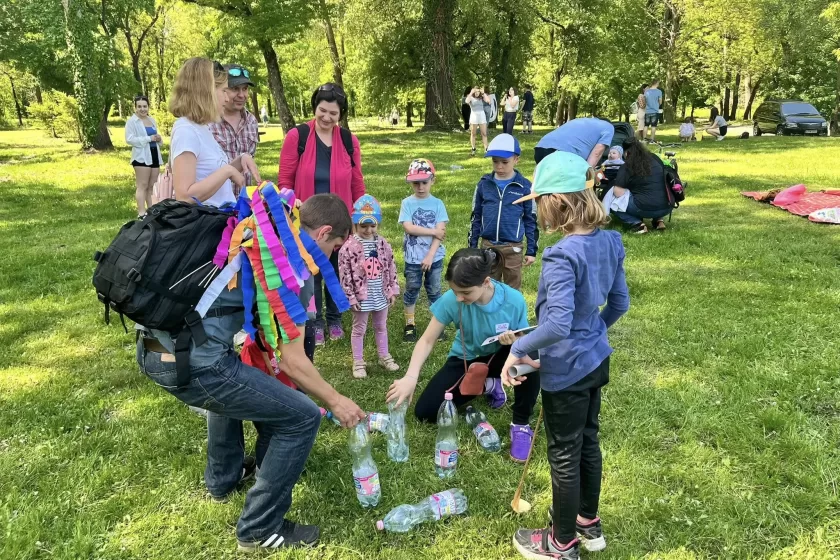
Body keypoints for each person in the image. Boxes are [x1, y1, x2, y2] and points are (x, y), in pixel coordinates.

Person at [500, 150, 630, 559]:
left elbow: (555, 325)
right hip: (595, 360)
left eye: (537, 203)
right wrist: (589, 336)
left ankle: (561, 543)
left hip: (570, 371)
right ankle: (588, 522)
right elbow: (619, 304)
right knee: (588, 440)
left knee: (564, 453)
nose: (536, 212)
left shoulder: (560, 255)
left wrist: (518, 349)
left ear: (555, 202)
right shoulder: (611, 240)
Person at [386, 248, 541, 463]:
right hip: (466, 358)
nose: (459, 297)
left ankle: (521, 424)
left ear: (486, 281)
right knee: (426, 412)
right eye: (455, 291)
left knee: (532, 358)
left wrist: (515, 342)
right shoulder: (453, 299)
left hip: (502, 356)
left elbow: (524, 337)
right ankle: (489, 385)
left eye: (465, 292)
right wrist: (410, 377)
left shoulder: (513, 300)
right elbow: (427, 340)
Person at [278, 83, 366, 347]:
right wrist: (293, 203)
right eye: (322, 111)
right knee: (311, 270)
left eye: (333, 113)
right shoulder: (298, 136)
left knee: (339, 267)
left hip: (340, 218)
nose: (327, 117)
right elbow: (284, 181)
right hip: (309, 219)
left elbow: (357, 183)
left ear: (341, 115)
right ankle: (314, 321)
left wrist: (362, 214)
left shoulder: (350, 141)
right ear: (314, 108)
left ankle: (335, 317)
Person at [338, 194, 400, 379]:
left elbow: (390, 266)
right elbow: (345, 274)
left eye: (372, 226)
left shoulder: (383, 244)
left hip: (379, 294)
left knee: (381, 326)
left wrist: (392, 289)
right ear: (355, 224)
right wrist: (350, 296)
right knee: (359, 329)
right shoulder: (348, 247)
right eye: (363, 226)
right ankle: (358, 362)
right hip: (361, 297)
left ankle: (384, 356)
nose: (368, 230)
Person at [468, 134, 537, 290]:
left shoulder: (525, 187)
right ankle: (491, 314)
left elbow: (530, 220)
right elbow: (476, 217)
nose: (499, 166)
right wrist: (472, 247)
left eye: (505, 162)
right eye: (495, 161)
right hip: (488, 246)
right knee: (488, 287)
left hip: (513, 247)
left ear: (516, 159)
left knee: (512, 289)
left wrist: (531, 250)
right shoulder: (483, 184)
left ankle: (512, 314)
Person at [400, 158, 448, 342]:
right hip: (413, 258)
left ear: (432, 180)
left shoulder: (438, 204)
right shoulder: (407, 203)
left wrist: (429, 255)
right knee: (412, 288)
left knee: (434, 290)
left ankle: (437, 326)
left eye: (424, 182)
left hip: (434, 258)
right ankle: (410, 324)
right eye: (416, 183)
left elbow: (440, 233)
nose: (420, 187)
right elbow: (408, 228)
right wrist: (433, 230)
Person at [608, 138, 674, 233]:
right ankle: (659, 220)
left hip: (644, 207)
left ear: (626, 153)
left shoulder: (626, 166)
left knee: (612, 201)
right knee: (656, 190)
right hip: (668, 205)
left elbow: (618, 193)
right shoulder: (655, 158)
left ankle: (637, 224)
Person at [209, 64, 259, 164]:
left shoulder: (251, 121)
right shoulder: (208, 122)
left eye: (245, 89)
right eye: (235, 89)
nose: (241, 95)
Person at [125, 94, 162, 217]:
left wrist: (158, 139)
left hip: (154, 155)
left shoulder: (151, 120)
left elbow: (155, 138)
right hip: (141, 157)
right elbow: (129, 139)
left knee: (152, 185)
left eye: (145, 106)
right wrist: (148, 138)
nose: (142, 109)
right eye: (139, 106)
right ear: (135, 107)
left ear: (148, 107)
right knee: (143, 185)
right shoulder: (132, 122)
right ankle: (141, 212)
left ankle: (151, 211)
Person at [535, 117, 614, 167]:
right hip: (562, 155)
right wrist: (588, 174)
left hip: (541, 148)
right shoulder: (609, 127)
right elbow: (597, 153)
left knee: (545, 187)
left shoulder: (583, 120)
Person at [467, 86, 491, 155]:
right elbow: (466, 101)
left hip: (481, 116)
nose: (477, 93)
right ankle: (473, 149)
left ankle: (486, 149)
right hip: (474, 116)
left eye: (478, 92)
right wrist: (471, 92)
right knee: (473, 133)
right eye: (475, 91)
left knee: (484, 133)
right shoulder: (471, 97)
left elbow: (488, 101)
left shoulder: (482, 98)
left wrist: (483, 93)